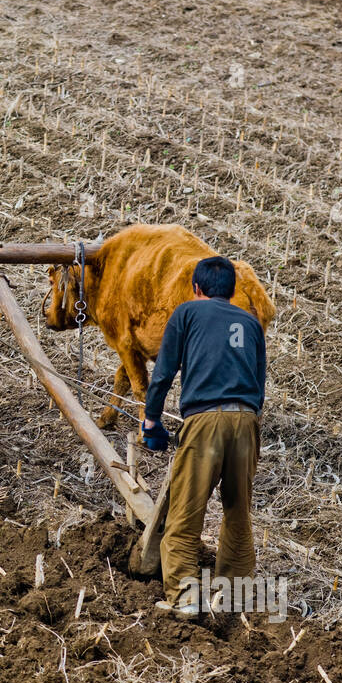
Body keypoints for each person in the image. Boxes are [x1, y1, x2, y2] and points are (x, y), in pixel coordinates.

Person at [142, 256, 266, 617]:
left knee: (186, 511)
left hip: (205, 421)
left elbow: (163, 374)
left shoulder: (187, 314)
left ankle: (185, 598)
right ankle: (235, 598)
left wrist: (151, 420)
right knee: (238, 512)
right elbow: (259, 385)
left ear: (196, 288)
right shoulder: (252, 323)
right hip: (246, 422)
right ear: (232, 290)